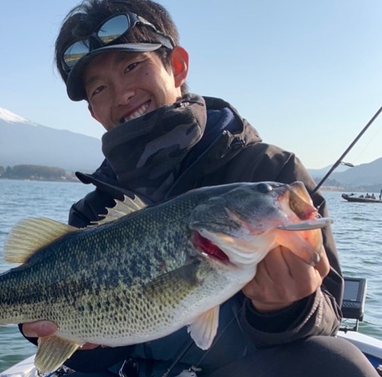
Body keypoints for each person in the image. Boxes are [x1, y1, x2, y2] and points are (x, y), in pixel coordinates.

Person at [20, 1, 378, 376]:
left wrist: (289, 310)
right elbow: (89, 359)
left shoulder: (270, 171)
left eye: (132, 66)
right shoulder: (93, 212)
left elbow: (329, 315)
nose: (122, 94)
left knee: (340, 366)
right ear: (93, 112)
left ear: (177, 67)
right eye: (99, 89)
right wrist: (51, 331)